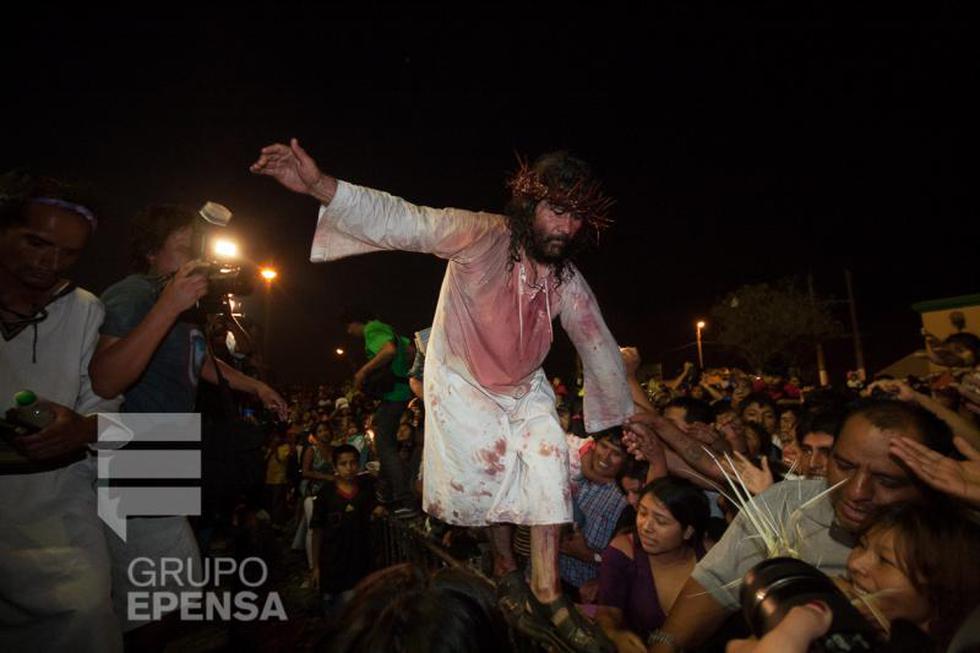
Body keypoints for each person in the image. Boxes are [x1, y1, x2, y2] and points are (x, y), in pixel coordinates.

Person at [252, 139, 632, 653]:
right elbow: (406, 220)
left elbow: (597, 342)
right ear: (528, 205)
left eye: (576, 217)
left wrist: (623, 417)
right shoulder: (481, 234)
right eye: (556, 211)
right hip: (463, 380)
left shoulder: (566, 276)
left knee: (547, 460)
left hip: (523, 387)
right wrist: (321, 186)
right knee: (493, 478)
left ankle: (546, 591)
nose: (566, 228)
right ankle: (504, 568)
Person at [89, 204, 287, 643]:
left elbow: (196, 363)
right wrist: (168, 304)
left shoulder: (186, 308)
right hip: (135, 443)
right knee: (161, 594)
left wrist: (253, 385)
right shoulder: (134, 294)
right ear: (151, 251)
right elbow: (105, 378)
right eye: (184, 247)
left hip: (164, 443)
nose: (196, 258)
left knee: (163, 589)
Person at [643, 398, 956, 653]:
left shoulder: (955, 544)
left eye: (887, 480)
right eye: (844, 466)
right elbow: (714, 583)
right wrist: (664, 645)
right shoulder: (786, 504)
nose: (857, 492)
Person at [0, 173, 123, 652]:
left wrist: (77, 431)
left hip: (56, 508)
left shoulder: (84, 311)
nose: (48, 262)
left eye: (68, 254)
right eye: (35, 242)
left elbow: (106, 415)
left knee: (87, 613)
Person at [595, 477, 709, 652]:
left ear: (688, 531)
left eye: (661, 521)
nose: (646, 527)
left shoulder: (713, 556)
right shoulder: (622, 553)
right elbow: (607, 613)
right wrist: (613, 634)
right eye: (642, 513)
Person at [343, 311, 417, 517]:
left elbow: (389, 351)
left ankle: (406, 500)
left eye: (349, 327)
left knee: (385, 448)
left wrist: (363, 372)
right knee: (386, 443)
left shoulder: (372, 329)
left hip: (394, 395)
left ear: (356, 322)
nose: (349, 332)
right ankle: (385, 492)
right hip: (402, 392)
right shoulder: (388, 329)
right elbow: (410, 351)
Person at [310, 444, 385, 616]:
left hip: (360, 561)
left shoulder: (365, 489)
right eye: (343, 464)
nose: (349, 468)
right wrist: (316, 566)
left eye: (353, 463)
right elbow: (317, 531)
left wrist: (377, 511)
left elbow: (373, 508)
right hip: (333, 563)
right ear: (335, 467)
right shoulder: (326, 494)